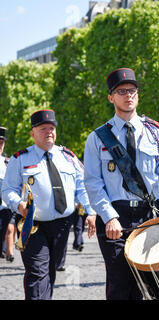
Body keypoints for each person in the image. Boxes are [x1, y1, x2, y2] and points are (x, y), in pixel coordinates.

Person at [83, 67, 159, 300]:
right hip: (115, 216)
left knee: (149, 282)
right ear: (111, 97)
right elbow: (93, 183)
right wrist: (109, 217)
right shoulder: (97, 138)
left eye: (132, 90)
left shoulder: (155, 132)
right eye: (121, 91)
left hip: (149, 213)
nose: (128, 95)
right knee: (120, 284)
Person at [1, 110, 95, 299]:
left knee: (50, 271)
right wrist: (19, 205)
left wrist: (90, 213)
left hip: (62, 225)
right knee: (37, 272)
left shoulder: (68, 157)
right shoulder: (20, 159)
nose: (49, 132)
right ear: (33, 133)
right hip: (32, 225)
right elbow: (8, 189)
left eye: (52, 128)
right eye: (43, 129)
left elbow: (81, 187)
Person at [0, 126, 14, 262]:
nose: (0, 146)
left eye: (1, 143)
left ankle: (9, 253)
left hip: (5, 205)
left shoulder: (8, 163)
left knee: (9, 229)